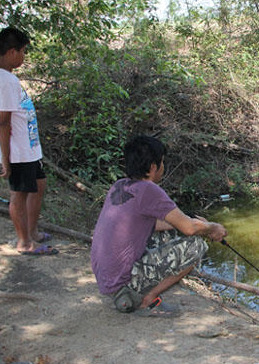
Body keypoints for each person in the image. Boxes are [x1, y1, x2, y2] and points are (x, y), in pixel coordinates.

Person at [91, 135, 227, 317]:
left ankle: (134, 295)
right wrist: (212, 228)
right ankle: (147, 300)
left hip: (109, 281)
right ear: (153, 167)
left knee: (171, 232)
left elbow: (152, 224)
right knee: (196, 245)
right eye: (162, 162)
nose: (163, 166)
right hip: (125, 287)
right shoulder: (149, 189)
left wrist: (198, 223)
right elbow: (189, 229)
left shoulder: (120, 185)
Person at [0, 27, 57, 256]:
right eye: (23, 51)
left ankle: (32, 232)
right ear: (12, 52)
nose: (24, 56)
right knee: (19, 194)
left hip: (29, 147)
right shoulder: (4, 81)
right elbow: (3, 122)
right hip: (17, 151)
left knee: (39, 185)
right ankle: (24, 243)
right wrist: (6, 159)